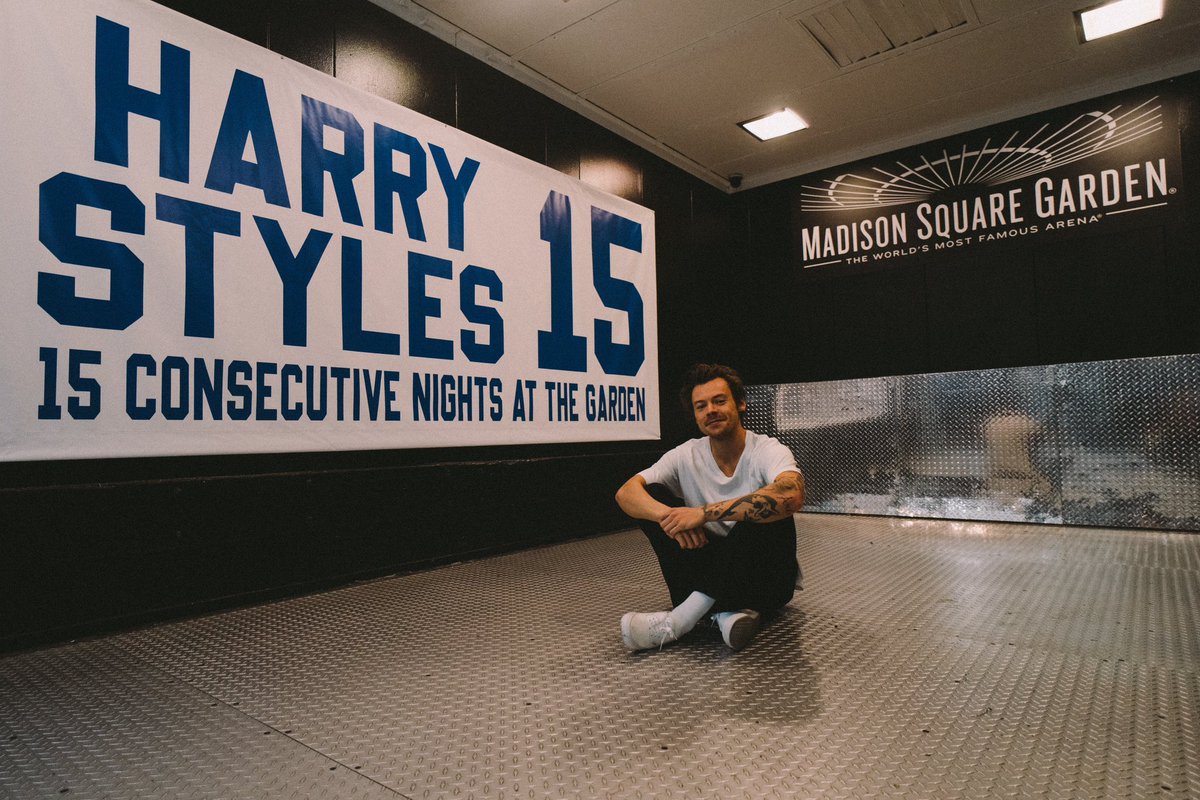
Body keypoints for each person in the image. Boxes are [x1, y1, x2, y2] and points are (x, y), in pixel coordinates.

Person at [615, 363, 805, 652]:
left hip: (766, 582)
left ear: (740, 403)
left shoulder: (767, 449)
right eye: (701, 406)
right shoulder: (686, 454)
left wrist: (703, 513)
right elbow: (626, 493)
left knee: (764, 508)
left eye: (719, 401)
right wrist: (670, 518)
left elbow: (792, 493)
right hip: (706, 572)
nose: (710, 411)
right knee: (652, 496)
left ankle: (679, 621)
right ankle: (726, 614)